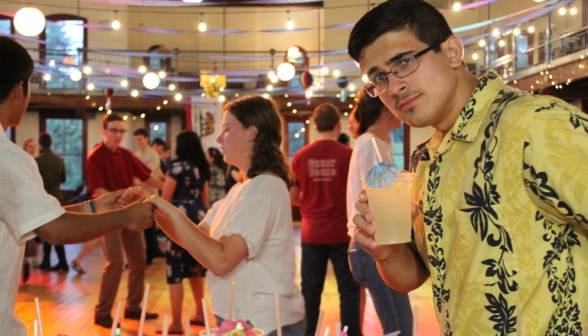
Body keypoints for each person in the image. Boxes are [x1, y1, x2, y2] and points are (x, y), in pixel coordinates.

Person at [347, 1, 588, 334]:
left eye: (404, 61)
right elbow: (417, 273)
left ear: (452, 51)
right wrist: (386, 252)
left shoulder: (534, 125)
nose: (394, 87)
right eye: (379, 78)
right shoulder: (426, 160)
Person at [0, 36, 155, 336]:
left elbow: (36, 216)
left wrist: (96, 206)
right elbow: (53, 230)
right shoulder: (8, 157)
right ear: (21, 88)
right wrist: (125, 216)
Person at [122, 95, 306, 336]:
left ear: (252, 132)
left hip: (264, 323)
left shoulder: (263, 189)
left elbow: (220, 261)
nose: (219, 138)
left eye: (227, 129)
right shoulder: (243, 188)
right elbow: (193, 239)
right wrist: (151, 208)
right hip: (244, 319)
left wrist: (166, 207)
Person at [87, 113, 164, 328]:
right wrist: (121, 204)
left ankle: (133, 307)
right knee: (116, 262)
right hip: (109, 215)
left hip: (129, 214)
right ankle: (102, 313)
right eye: (114, 130)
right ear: (104, 131)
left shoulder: (126, 154)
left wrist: (169, 188)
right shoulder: (95, 156)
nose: (118, 135)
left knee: (139, 259)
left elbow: (148, 177)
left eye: (121, 131)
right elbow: (99, 190)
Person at [289, 103, 360, 336]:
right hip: (342, 233)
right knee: (348, 290)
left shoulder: (301, 155)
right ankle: (350, 333)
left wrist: (311, 200)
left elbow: (293, 197)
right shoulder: (348, 155)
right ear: (338, 125)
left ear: (315, 125)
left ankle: (307, 333)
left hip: (312, 233)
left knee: (310, 290)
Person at [345, 90, 412, 336]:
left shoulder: (373, 143)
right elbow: (382, 203)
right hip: (374, 246)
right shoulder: (373, 144)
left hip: (368, 246)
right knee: (399, 329)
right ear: (384, 106)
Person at [158, 130, 210, 334]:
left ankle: (177, 323)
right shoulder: (201, 168)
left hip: (179, 220)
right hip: (199, 220)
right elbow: (204, 199)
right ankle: (201, 314)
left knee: (175, 272)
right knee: (196, 270)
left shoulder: (176, 167)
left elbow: (165, 197)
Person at [36, 132, 69, 272]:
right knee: (56, 227)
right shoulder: (58, 160)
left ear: (40, 144)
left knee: (47, 229)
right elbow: (63, 179)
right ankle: (57, 261)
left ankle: (51, 261)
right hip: (57, 195)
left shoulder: (37, 160)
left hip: (44, 195)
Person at [133, 128, 166, 265]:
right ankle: (151, 251)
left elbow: (149, 175)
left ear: (147, 139)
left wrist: (132, 182)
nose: (138, 142)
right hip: (139, 195)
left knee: (149, 224)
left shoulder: (153, 155)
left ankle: (150, 253)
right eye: (135, 140)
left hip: (149, 193)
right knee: (145, 225)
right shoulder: (136, 155)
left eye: (140, 139)